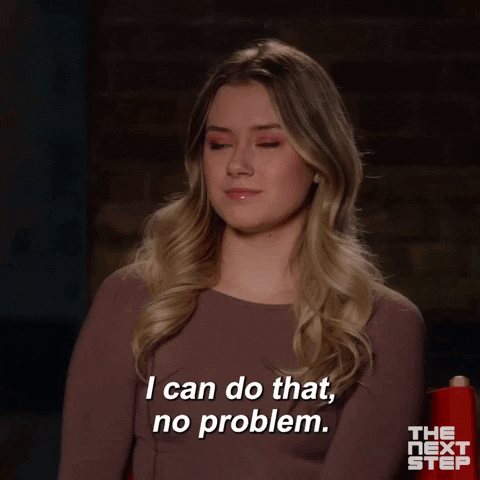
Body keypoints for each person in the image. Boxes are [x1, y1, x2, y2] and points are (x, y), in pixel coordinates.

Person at [58, 38, 425, 479]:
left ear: (319, 162)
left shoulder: (382, 323)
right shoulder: (133, 297)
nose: (237, 164)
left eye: (267, 143)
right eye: (219, 144)